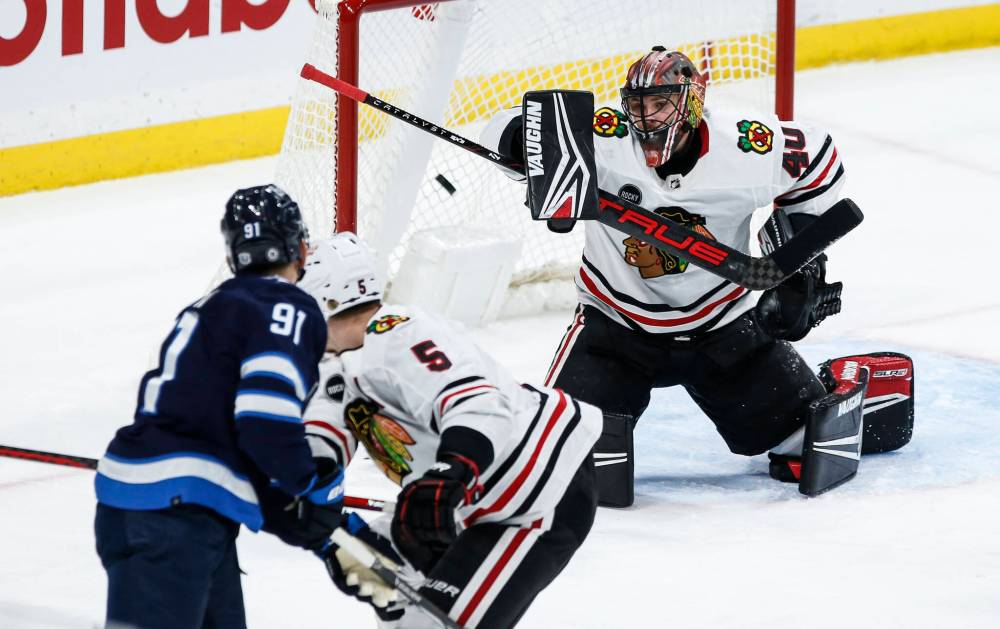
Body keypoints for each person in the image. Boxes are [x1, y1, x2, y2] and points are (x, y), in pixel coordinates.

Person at [480, 47, 914, 506]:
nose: (646, 117)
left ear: (691, 103)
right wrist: (524, 148)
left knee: (803, 448)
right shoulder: (602, 136)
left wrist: (798, 269)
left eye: (661, 103)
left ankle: (847, 378)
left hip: (723, 328)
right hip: (614, 327)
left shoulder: (748, 147)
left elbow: (821, 163)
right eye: (638, 104)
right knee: (568, 462)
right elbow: (503, 127)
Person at [298, 233, 602, 629]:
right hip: (465, 496)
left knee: (427, 626)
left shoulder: (396, 331)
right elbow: (323, 436)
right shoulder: (331, 364)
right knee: (395, 599)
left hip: (536, 489)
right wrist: (321, 517)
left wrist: (451, 473)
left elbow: (477, 404)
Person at [93, 185, 345, 629]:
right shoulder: (288, 307)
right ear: (301, 248)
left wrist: (296, 516)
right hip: (174, 517)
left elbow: (229, 437)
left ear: (233, 256)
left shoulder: (211, 307)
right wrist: (306, 485)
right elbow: (263, 419)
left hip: (166, 509)